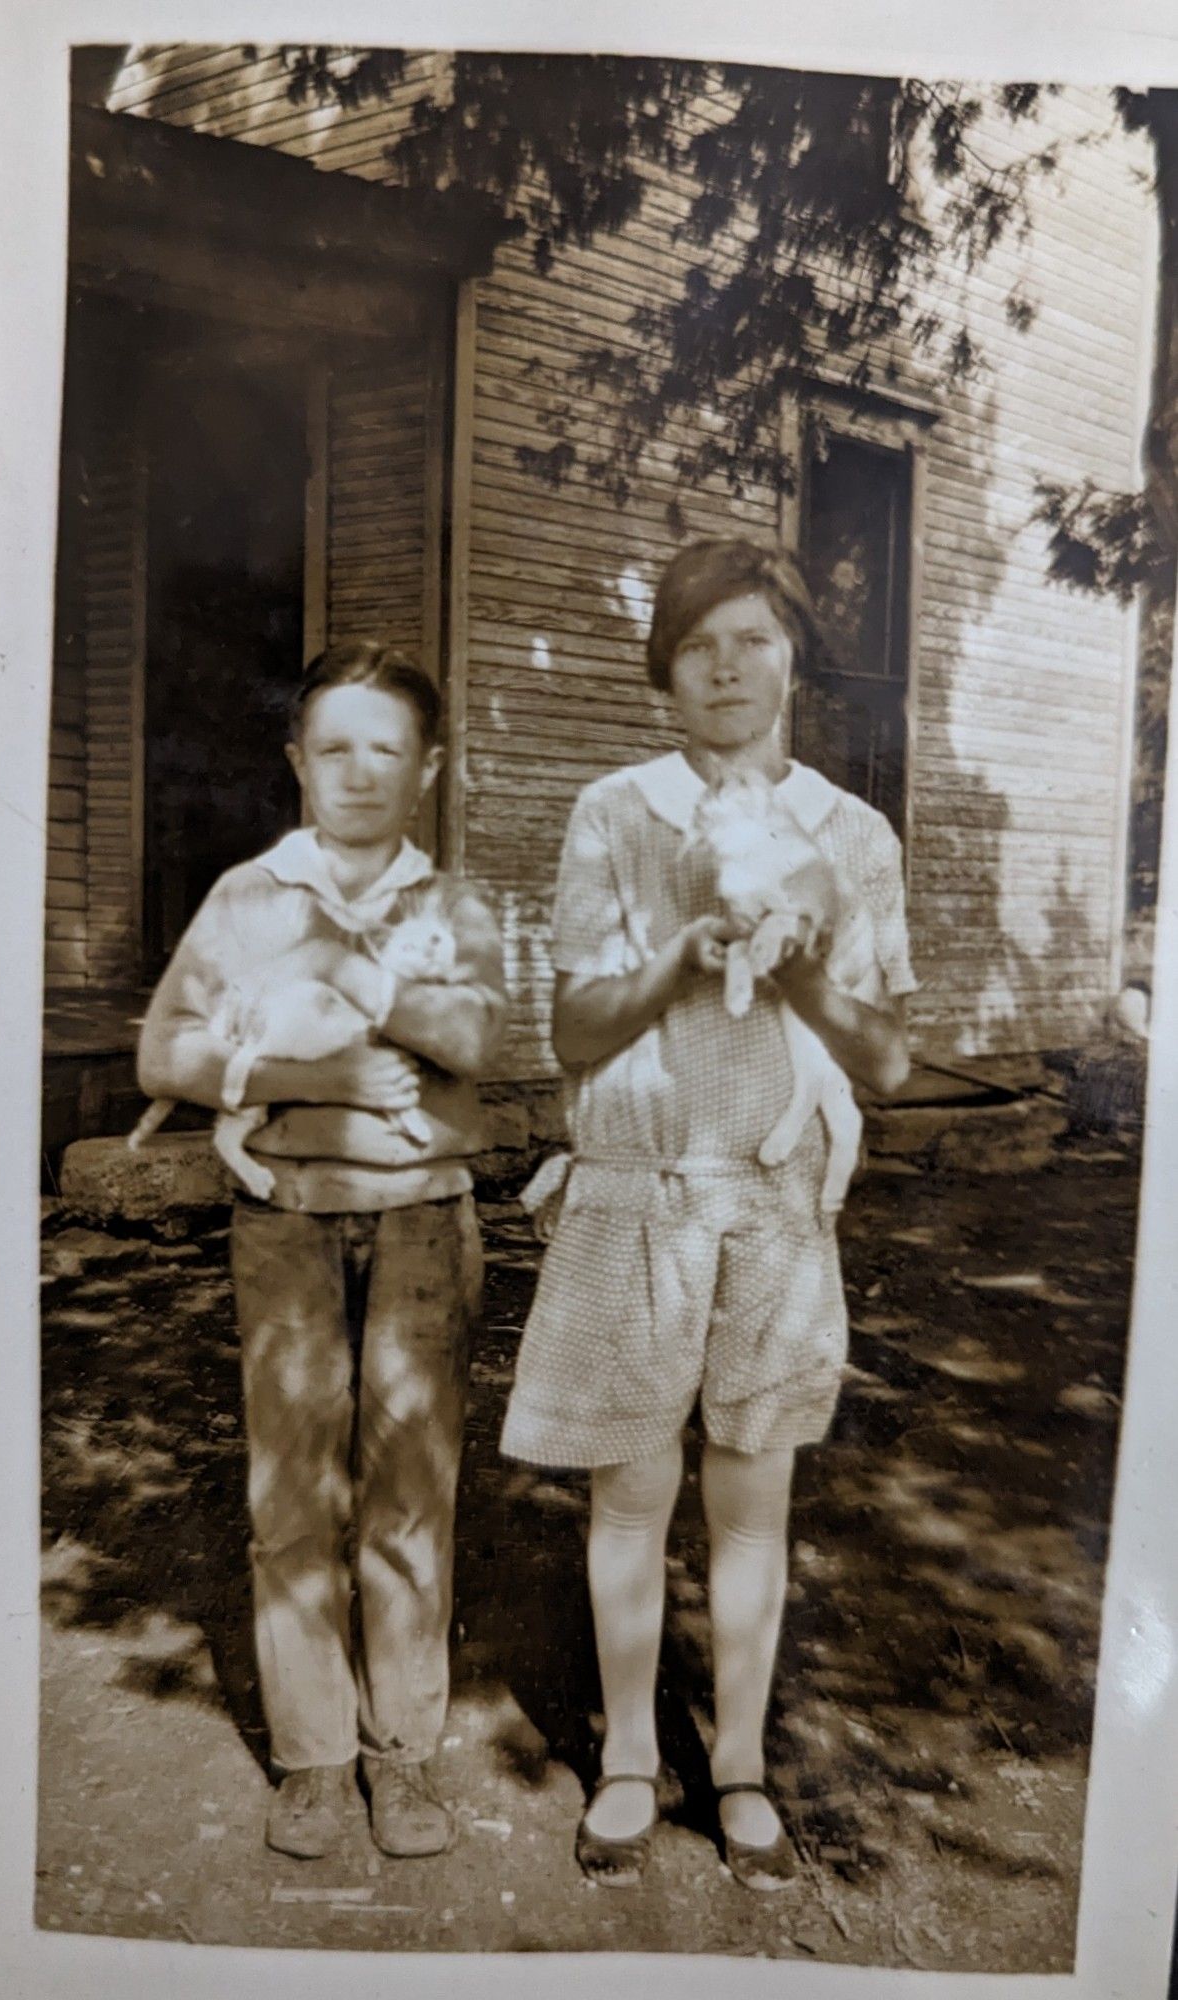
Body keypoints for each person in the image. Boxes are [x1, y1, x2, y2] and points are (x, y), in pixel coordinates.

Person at [500, 539, 916, 1891]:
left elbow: (889, 1060)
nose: (727, 668)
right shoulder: (617, 812)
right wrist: (680, 952)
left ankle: (734, 1761)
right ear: (663, 672)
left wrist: (794, 978)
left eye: (754, 640)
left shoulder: (852, 836)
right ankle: (629, 1754)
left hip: (777, 1209)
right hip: (640, 1195)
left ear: (794, 658)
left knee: (751, 1497)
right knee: (629, 1491)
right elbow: (570, 1030)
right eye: (699, 645)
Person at [137, 642, 508, 1862]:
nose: (359, 772)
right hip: (285, 1220)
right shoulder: (246, 896)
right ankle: (313, 1758)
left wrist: (345, 959)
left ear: (429, 768)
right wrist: (320, 1072)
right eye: (333, 746)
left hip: (420, 1221)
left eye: (387, 749)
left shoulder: (450, 904)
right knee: (292, 1491)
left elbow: (467, 1038)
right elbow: (164, 1055)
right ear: (297, 760)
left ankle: (402, 1754)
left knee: (410, 1491)